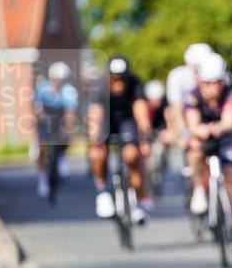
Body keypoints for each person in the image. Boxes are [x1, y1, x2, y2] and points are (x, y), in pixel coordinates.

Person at [184, 53, 232, 253]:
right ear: (200, 81)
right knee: (194, 150)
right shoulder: (192, 95)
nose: (212, 87)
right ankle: (198, 190)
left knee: (230, 183)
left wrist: (219, 128)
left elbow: (229, 121)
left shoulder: (230, 92)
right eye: (207, 83)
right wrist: (201, 130)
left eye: (217, 82)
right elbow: (193, 124)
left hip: (224, 137)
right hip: (203, 138)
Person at [87, 55, 153, 222]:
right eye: (114, 80)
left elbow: (141, 112)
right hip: (106, 121)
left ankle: (136, 200)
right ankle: (102, 192)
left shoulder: (135, 83)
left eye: (122, 80)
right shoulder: (100, 86)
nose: (118, 84)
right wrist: (96, 140)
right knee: (98, 153)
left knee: (132, 155)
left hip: (126, 120)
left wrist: (145, 138)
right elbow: (95, 115)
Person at [34, 61, 78, 198]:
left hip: (61, 119)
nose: (58, 82)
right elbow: (38, 109)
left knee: (64, 138)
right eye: (56, 79)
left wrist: (67, 128)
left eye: (61, 79)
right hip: (46, 119)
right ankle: (42, 180)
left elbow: (70, 112)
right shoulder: (43, 89)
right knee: (43, 148)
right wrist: (42, 118)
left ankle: (62, 158)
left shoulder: (69, 91)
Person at [166, 43, 214, 149]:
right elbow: (177, 109)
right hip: (185, 118)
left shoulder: (214, 77)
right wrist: (184, 133)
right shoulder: (177, 76)